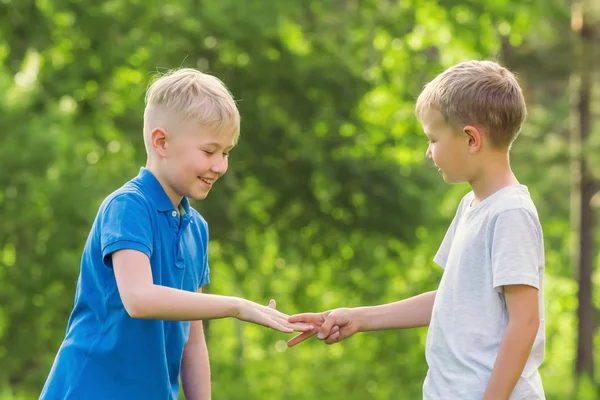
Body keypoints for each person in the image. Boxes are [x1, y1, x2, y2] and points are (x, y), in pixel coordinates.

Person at [41, 68, 310, 400]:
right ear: (161, 142)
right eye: (209, 151)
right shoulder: (128, 207)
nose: (220, 166)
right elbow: (138, 298)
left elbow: (192, 342)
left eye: (226, 153)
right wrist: (236, 306)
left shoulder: (196, 228)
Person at [288, 60, 546, 399]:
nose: (428, 153)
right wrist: (359, 318)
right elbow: (453, 300)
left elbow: (525, 322)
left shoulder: (510, 213)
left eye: (433, 139)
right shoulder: (472, 207)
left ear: (471, 139)